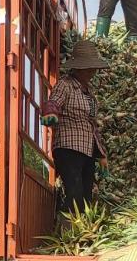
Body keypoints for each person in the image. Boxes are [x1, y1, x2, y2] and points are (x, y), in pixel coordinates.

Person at [40, 37, 108, 214]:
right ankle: (68, 232)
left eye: (92, 68)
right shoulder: (66, 84)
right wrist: (50, 113)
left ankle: (81, 233)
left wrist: (101, 155)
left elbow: (92, 126)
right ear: (77, 67)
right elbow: (54, 101)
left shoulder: (89, 94)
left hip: (86, 151)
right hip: (68, 148)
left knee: (86, 196)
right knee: (74, 192)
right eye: (87, 68)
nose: (91, 71)